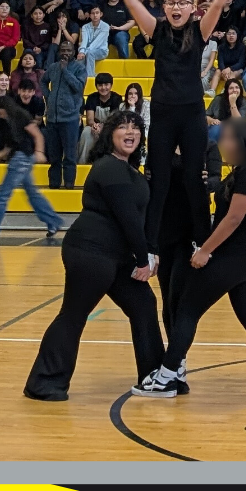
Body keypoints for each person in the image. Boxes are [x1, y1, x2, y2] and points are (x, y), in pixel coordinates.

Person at [110, 0, 246, 353]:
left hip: (191, 114)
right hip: (163, 112)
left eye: (181, 3)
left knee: (193, 178)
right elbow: (132, 3)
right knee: (158, 177)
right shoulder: (155, 30)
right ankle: (150, 248)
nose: (174, 7)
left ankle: (201, 242)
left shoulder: (200, 31)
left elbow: (219, 4)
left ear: (191, 8)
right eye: (170, 2)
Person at [130, 119, 246, 398]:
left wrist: (205, 250)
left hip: (235, 256)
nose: (222, 144)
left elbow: (233, 219)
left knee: (187, 310)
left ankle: (165, 378)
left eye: (227, 139)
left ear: (242, 142)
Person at [23, 110, 165, 401]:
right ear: (110, 134)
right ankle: (44, 383)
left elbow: (143, 216)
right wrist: (143, 260)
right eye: (123, 127)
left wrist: (151, 251)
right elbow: (128, 218)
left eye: (136, 128)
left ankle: (154, 376)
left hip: (117, 255)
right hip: (90, 251)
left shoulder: (130, 170)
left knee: (143, 305)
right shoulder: (108, 167)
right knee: (74, 314)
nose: (131, 132)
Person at [0, 71, 67, 243]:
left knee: (3, 195)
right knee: (32, 194)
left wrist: (40, 152)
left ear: (4, 109)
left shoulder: (20, 115)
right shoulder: (9, 120)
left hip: (22, 158)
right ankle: (53, 220)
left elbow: (37, 134)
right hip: (21, 156)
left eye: (0, 112)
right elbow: (14, 141)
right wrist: (2, 153)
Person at [45, 48, 88, 190]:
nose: (65, 53)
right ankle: (54, 184)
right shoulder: (53, 67)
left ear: (74, 52)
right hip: (52, 119)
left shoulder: (80, 68)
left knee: (69, 156)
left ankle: (69, 185)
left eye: (69, 50)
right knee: (54, 156)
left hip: (70, 119)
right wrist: (48, 96)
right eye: (63, 50)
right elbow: (43, 81)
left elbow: (79, 87)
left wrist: (65, 71)